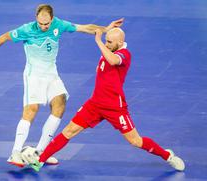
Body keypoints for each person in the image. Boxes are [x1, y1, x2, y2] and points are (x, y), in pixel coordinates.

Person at [0, 4, 124, 167]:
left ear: (52, 19)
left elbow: (85, 28)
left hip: (51, 75)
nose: (43, 27)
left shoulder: (59, 25)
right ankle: (15, 152)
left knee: (60, 105)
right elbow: (6, 36)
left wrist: (105, 29)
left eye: (46, 24)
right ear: (36, 18)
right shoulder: (26, 29)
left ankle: (40, 153)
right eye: (41, 23)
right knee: (31, 110)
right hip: (33, 76)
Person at [28, 28, 185, 172]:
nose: (106, 44)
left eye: (109, 42)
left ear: (120, 43)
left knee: (135, 141)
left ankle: (167, 155)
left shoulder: (124, 54)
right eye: (106, 41)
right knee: (69, 131)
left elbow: (113, 60)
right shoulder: (110, 48)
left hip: (115, 108)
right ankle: (39, 161)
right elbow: (105, 51)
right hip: (95, 104)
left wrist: (98, 42)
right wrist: (107, 29)